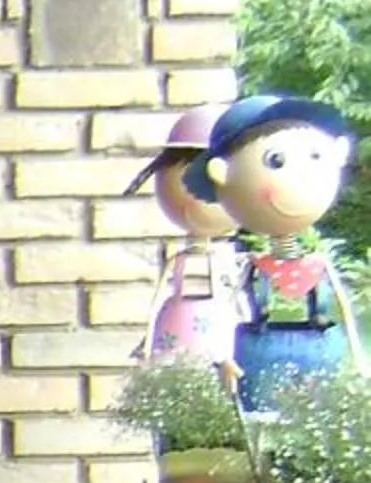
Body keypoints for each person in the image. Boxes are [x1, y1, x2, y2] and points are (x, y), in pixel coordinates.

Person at [186, 93, 359, 409]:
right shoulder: (254, 265)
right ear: (221, 173)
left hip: (320, 358)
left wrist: (358, 362)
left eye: (316, 157)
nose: (304, 175)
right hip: (259, 359)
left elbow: (346, 314)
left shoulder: (317, 265)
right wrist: (222, 357)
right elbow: (225, 316)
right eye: (276, 162)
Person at [126, 103, 249, 365]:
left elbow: (239, 296)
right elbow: (158, 300)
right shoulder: (178, 262)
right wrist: (148, 341)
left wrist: (249, 320)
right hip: (177, 324)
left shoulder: (228, 261)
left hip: (222, 326)